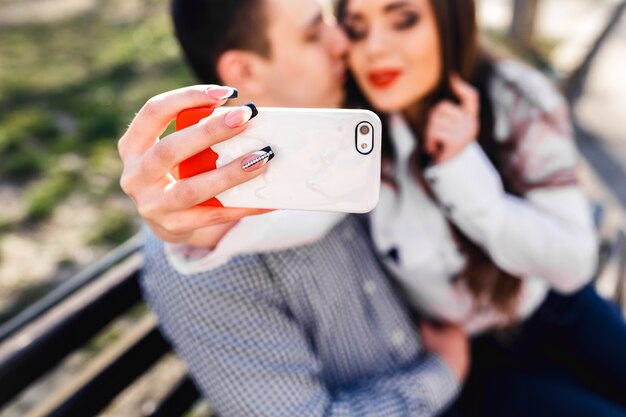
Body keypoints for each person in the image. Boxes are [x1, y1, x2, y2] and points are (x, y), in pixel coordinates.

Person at [118, 0, 469, 415]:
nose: (342, 40)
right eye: (313, 31)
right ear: (245, 72)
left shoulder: (348, 123)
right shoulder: (203, 244)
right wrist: (444, 371)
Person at [335, 0, 626, 416]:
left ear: (450, 18)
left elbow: (574, 260)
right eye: (357, 30)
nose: (375, 48)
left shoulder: (513, 93)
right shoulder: (352, 135)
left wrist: (462, 171)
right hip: (471, 361)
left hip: (555, 308)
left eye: (403, 20)